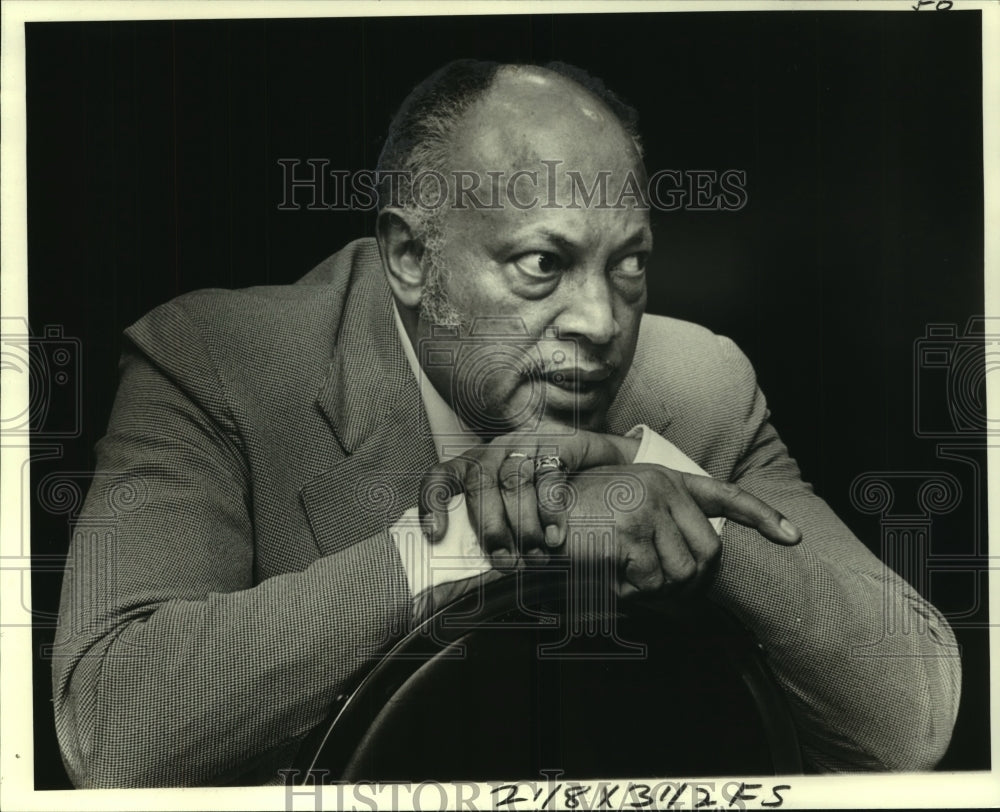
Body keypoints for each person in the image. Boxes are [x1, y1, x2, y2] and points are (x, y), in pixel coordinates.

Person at [52, 59, 960, 788]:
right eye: (542, 264)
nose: (602, 324)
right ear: (412, 258)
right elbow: (111, 728)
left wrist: (658, 486)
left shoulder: (697, 383)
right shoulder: (217, 362)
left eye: (630, 265)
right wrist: (490, 538)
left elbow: (913, 722)